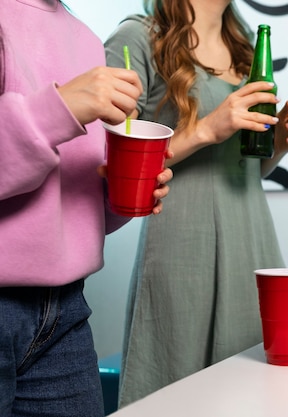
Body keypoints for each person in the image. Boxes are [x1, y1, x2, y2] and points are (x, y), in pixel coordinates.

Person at [104, 0, 288, 407]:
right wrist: (208, 128)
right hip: (182, 246)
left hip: (253, 239)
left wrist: (274, 148)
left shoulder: (243, 41)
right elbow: (113, 163)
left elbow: (247, 170)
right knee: (178, 394)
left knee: (256, 391)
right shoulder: (139, 36)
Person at [0, 1, 173, 416]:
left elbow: (66, 205)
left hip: (65, 314)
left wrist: (121, 195)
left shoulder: (87, 40)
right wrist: (58, 110)